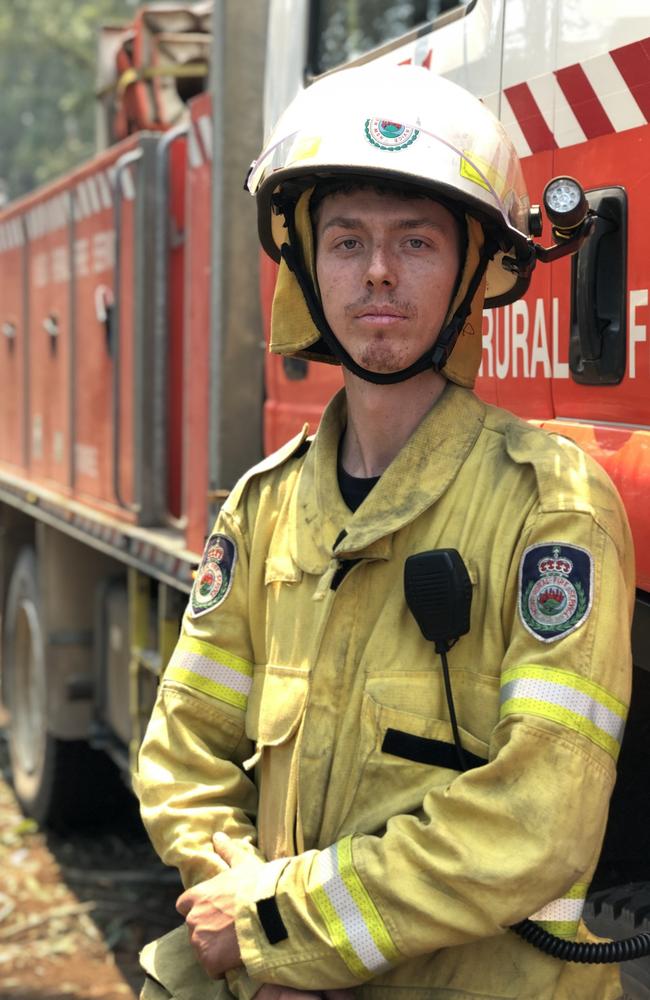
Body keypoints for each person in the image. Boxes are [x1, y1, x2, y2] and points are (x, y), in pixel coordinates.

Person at [135, 63, 634, 999]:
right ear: (304, 269)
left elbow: (541, 816)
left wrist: (284, 929)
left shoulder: (550, 505)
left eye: (415, 242)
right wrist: (245, 926)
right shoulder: (264, 505)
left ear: (473, 271)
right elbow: (184, 750)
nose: (375, 272)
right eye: (346, 240)